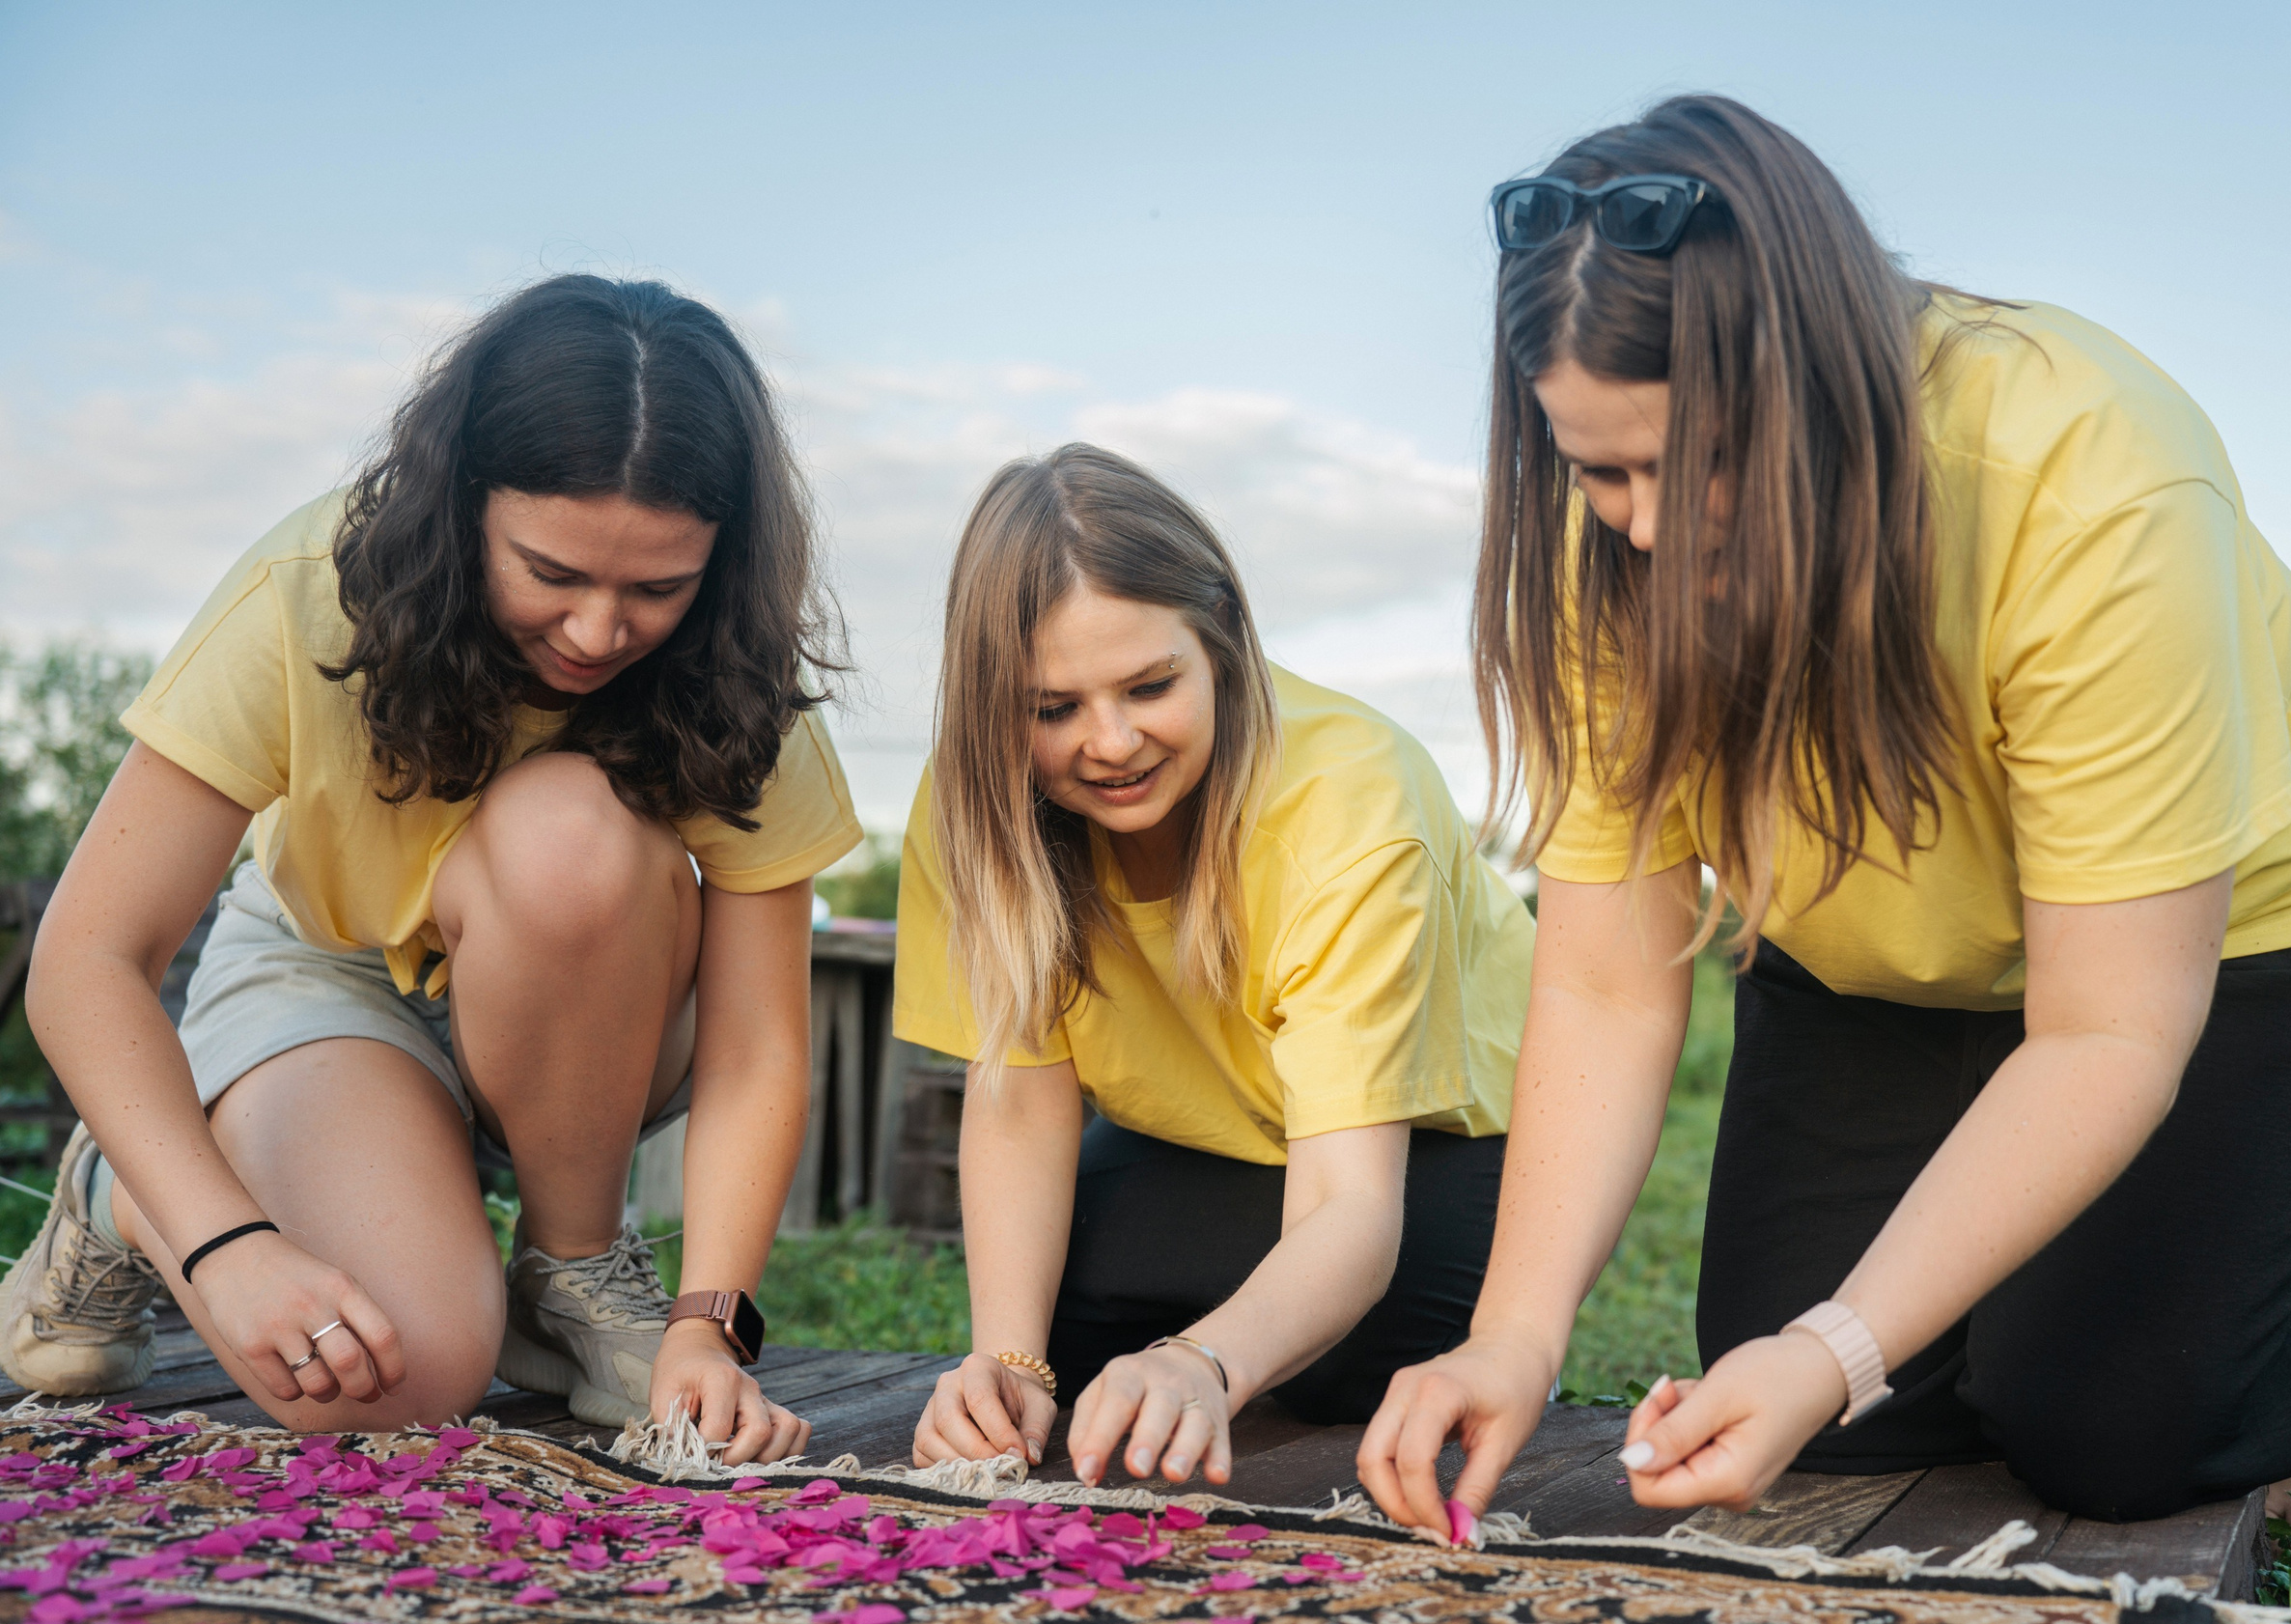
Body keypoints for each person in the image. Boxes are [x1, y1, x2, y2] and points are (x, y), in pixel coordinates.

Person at [1356, 95, 2291, 1533]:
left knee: (2102, 1416)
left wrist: (1840, 1342)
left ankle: (2263, 1359)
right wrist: (1512, 1332)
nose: (1640, 525)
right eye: (1595, 468)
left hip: (2252, 926)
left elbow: (2106, 1026)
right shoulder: (1609, 549)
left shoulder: (2094, 471)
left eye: (1692, 469)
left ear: (1822, 391)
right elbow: (1610, 976)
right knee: (1838, 1423)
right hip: (1896, 945)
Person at [9, 274, 860, 1465]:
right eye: (552, 574)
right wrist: (225, 1244)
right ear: (458, 502)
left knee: (570, 830)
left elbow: (764, 1045)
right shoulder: (307, 595)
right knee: (388, 1375)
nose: (598, 632)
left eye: (657, 588)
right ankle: (131, 1191)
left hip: (595, 1002)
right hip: (331, 975)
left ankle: (575, 1276)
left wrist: (707, 1322)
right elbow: (89, 955)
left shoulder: (740, 672)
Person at [899, 444, 1534, 1487]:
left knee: (1350, 1373)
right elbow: (1018, 1101)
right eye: (1051, 709)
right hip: (1209, 1138)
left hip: (1431, 1139)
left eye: (1149, 687)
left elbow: (1347, 1202)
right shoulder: (971, 812)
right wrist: (1006, 1363)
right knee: (1062, 1348)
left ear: (1225, 643)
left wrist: (1205, 1360)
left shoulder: (1351, 801)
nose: (1109, 743)